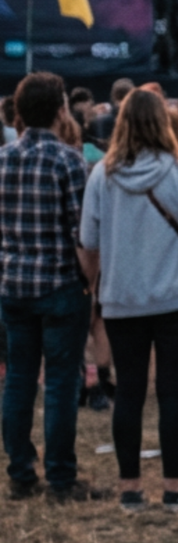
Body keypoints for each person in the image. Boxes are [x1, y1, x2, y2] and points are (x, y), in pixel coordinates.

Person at [78, 89, 178, 511]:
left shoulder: (102, 175)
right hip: (176, 296)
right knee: (172, 392)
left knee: (130, 392)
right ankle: (173, 487)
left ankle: (130, 488)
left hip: (122, 298)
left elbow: (88, 239)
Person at [0, 73, 94, 501]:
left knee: (18, 379)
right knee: (60, 382)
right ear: (60, 110)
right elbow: (82, 234)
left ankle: (20, 472)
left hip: (14, 284)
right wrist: (91, 282)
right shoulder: (68, 161)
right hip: (60, 284)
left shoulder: (4, 159)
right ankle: (60, 477)